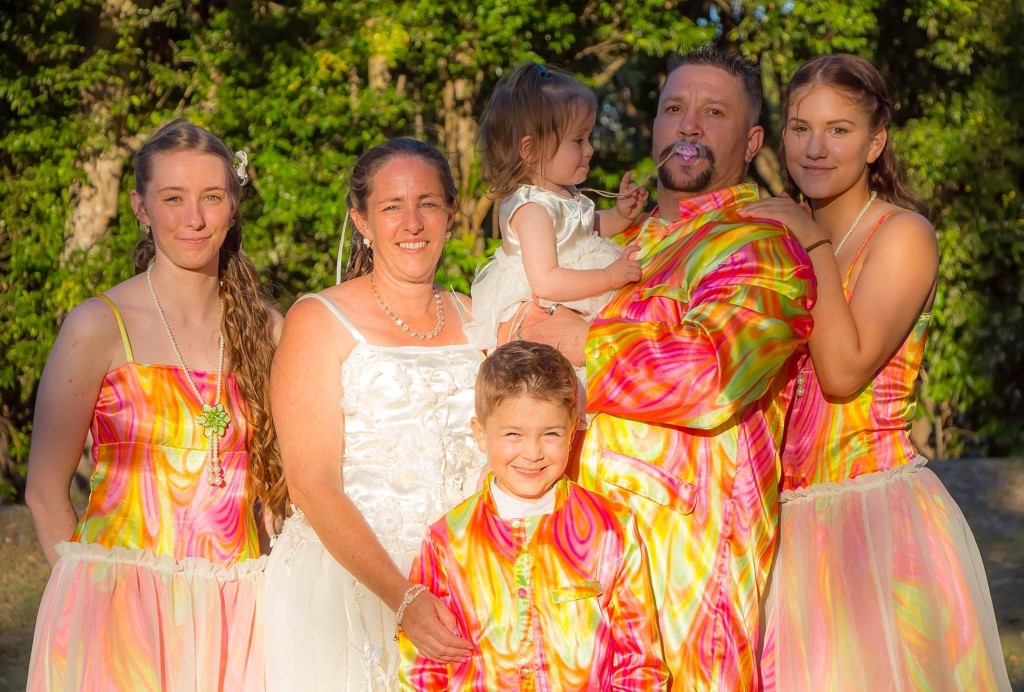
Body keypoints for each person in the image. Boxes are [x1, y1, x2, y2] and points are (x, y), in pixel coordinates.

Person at [521, 46, 816, 690]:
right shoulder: (611, 244)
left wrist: (585, 340)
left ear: (752, 140)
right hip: (576, 561)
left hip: (684, 582)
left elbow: (712, 377)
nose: (688, 125)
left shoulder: (761, 246)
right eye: (674, 109)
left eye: (714, 112)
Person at [737, 53, 1011, 691]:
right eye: (801, 127)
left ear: (874, 141)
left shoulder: (902, 234)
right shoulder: (770, 229)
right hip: (776, 526)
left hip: (875, 522)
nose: (816, 147)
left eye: (840, 129)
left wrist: (811, 243)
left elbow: (842, 371)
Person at [25, 118, 281, 690]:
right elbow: (44, 490)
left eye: (211, 198)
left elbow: (278, 490)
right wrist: (91, 596)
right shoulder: (98, 325)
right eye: (173, 199)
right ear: (141, 207)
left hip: (236, 614)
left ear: (233, 206)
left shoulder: (268, 330)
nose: (194, 218)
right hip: (119, 614)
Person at [262, 138, 486, 690]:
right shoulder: (318, 319)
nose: (412, 222)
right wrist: (402, 598)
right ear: (361, 220)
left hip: (467, 583)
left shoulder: (481, 319)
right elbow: (310, 482)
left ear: (451, 214)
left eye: (429, 204)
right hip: (351, 587)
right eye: (391, 207)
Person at [398, 340, 669, 690]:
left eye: (551, 434)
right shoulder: (446, 540)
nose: (532, 452)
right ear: (480, 434)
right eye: (513, 434)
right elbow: (423, 670)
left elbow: (640, 662)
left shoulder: (611, 529)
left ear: (573, 430)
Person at [463, 62, 646, 358]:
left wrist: (621, 215)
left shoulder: (560, 192)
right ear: (530, 149)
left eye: (588, 137)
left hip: (574, 289)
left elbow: (583, 230)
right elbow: (546, 281)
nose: (590, 150)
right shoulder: (533, 209)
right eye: (578, 140)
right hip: (548, 300)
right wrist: (609, 277)